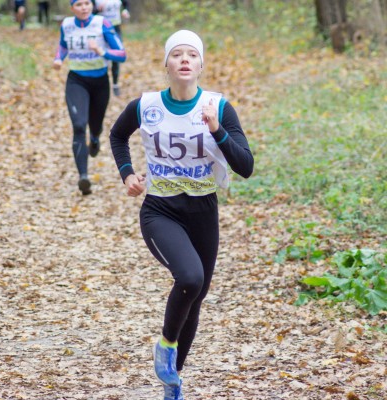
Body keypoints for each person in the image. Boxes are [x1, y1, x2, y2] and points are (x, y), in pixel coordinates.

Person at [110, 30, 254, 400]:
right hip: (160, 210)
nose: (185, 59)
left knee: (196, 295)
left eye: (192, 54)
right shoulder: (146, 105)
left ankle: (172, 382)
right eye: (177, 54)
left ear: (201, 65)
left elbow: (246, 166)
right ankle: (166, 345)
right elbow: (117, 135)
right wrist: (127, 174)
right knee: (190, 277)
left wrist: (217, 130)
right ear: (167, 64)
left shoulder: (218, 106)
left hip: (203, 211)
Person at [53, 0, 126, 195]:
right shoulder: (67, 25)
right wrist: (59, 58)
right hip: (76, 81)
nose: (84, 7)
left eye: (87, 3)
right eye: (79, 4)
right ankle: (83, 177)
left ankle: (94, 138)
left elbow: (121, 54)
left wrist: (101, 51)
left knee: (95, 125)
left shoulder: (103, 23)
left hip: (100, 82)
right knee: (78, 125)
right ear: (72, 8)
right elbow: (63, 45)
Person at [93, 0, 130, 96]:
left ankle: (115, 83)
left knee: (116, 56)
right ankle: (99, 83)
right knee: (100, 54)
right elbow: (88, 13)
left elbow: (126, 3)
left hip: (115, 29)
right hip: (100, 30)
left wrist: (125, 10)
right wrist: (97, 9)